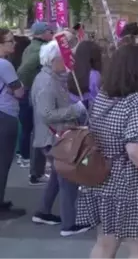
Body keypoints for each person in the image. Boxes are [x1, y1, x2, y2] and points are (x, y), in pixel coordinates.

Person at [77, 44, 138, 259]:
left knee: (105, 244)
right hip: (131, 185)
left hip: (102, 178)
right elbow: (136, 149)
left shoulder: (103, 95)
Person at [30, 40, 90, 236]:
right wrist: (76, 109)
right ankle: (69, 224)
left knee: (58, 177)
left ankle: (43, 211)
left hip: (54, 135)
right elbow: (47, 113)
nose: (67, 62)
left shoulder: (49, 77)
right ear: (54, 60)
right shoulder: (47, 82)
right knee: (68, 177)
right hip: (54, 136)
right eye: (64, 59)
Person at [17, 22, 54, 177]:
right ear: (41, 33)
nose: (51, 33)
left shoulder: (31, 46)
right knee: (35, 129)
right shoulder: (39, 49)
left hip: (30, 91)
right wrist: (25, 86)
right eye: (49, 31)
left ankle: (26, 157)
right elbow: (23, 69)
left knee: (29, 127)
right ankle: (28, 159)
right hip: (33, 92)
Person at [0, 28, 26, 220]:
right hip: (5, 114)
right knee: (3, 162)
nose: (13, 44)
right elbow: (19, 92)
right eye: (9, 41)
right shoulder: (4, 65)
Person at [67, 40, 102, 109]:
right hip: (87, 112)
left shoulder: (70, 70)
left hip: (72, 110)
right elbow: (96, 99)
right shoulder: (94, 75)